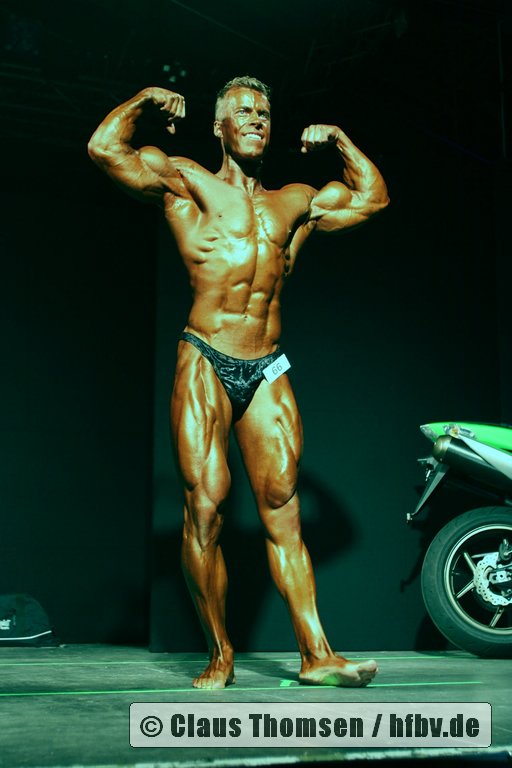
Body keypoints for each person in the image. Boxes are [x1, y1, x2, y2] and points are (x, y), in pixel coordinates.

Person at [88, 75, 389, 690]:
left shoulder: (296, 202)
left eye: (264, 113)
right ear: (219, 126)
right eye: (244, 111)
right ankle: (220, 652)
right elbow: (105, 149)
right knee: (206, 508)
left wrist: (339, 138)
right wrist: (145, 101)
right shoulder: (186, 182)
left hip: (268, 363)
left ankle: (317, 655)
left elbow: (373, 199)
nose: (256, 119)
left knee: (284, 508)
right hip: (205, 353)